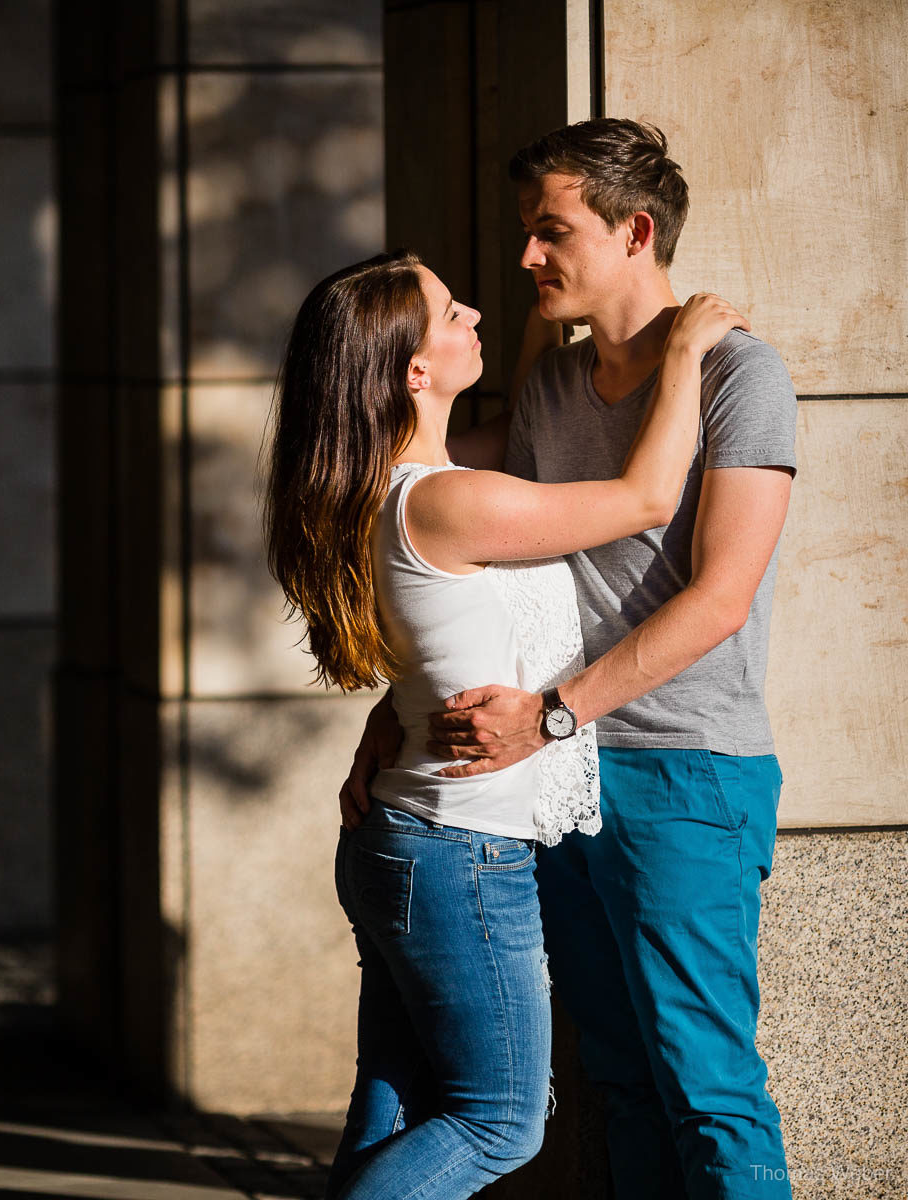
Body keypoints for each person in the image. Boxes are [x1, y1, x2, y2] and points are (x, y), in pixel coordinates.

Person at [349, 119, 798, 1199]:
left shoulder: (741, 376)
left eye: (550, 232)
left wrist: (551, 713)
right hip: (555, 777)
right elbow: (443, 541)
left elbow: (721, 598)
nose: (525, 261)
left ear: (635, 231)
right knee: (617, 1082)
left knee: (707, 1085)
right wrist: (394, 719)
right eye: (525, 233)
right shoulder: (550, 385)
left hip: (681, 767)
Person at [264, 244, 748, 1199]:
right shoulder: (452, 499)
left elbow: (520, 413)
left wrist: (542, 328)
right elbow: (648, 498)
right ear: (413, 369)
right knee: (498, 1124)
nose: (476, 316)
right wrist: (688, 350)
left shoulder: (399, 484)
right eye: (452, 315)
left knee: (396, 1102)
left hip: (407, 840)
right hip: (459, 853)